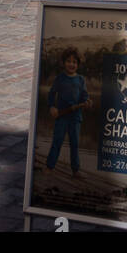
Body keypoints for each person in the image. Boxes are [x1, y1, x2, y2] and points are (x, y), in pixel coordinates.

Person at [45, 47, 91, 176]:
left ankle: (75, 170)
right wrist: (51, 106)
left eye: (74, 62)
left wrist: (87, 101)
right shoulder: (60, 78)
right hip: (61, 116)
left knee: (75, 144)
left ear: (78, 64)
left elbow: (84, 96)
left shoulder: (81, 80)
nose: (72, 64)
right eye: (69, 61)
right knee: (57, 141)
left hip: (75, 118)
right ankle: (49, 167)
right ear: (64, 62)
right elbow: (51, 94)